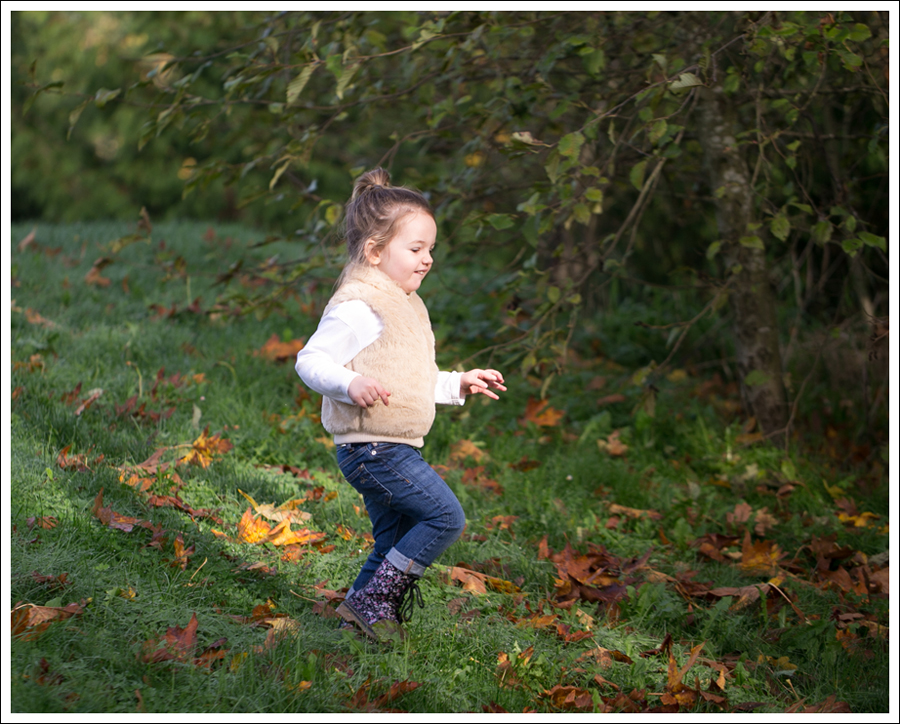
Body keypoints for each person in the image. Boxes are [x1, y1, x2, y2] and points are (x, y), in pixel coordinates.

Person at [295, 167, 506, 641]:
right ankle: (379, 598)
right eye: (416, 249)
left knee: (393, 538)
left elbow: (408, 379)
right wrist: (348, 384)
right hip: (373, 450)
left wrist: (458, 383)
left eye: (431, 248)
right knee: (445, 517)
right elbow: (310, 360)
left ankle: (360, 609)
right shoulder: (360, 305)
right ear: (373, 252)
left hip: (389, 447)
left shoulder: (403, 303)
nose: (427, 259)